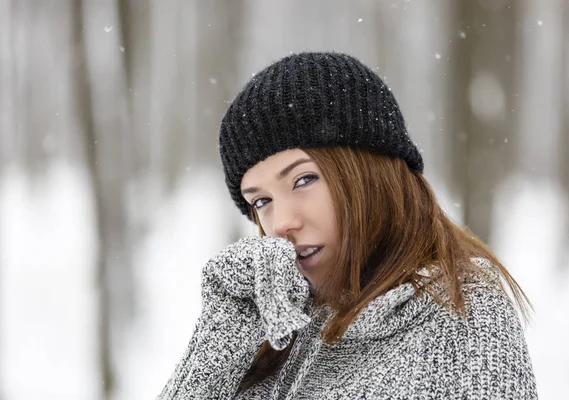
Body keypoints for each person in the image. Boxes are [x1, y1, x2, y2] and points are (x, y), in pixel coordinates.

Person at [158, 52, 538, 399]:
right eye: (262, 201)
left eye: (304, 180)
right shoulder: (272, 331)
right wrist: (219, 341)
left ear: (370, 174)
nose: (282, 223)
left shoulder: (461, 312)